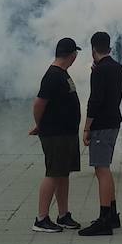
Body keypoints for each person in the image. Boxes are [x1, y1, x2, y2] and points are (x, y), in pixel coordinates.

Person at [29, 38, 83, 233]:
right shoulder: (52, 75)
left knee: (63, 174)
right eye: (75, 54)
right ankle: (41, 218)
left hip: (66, 133)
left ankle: (63, 215)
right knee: (53, 173)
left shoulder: (62, 73)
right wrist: (39, 125)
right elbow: (39, 103)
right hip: (56, 133)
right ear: (72, 55)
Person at [79, 31, 122, 236]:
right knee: (104, 168)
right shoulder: (117, 67)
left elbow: (94, 101)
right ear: (109, 47)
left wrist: (87, 127)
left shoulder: (98, 72)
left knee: (101, 169)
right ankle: (113, 214)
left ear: (93, 49)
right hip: (114, 120)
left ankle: (104, 219)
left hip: (101, 125)